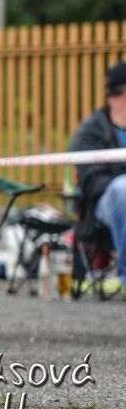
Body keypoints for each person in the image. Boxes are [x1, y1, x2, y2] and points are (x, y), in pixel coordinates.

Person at [70, 61, 126, 288]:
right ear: (118, 94)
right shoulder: (90, 131)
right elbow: (91, 181)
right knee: (122, 188)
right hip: (103, 204)